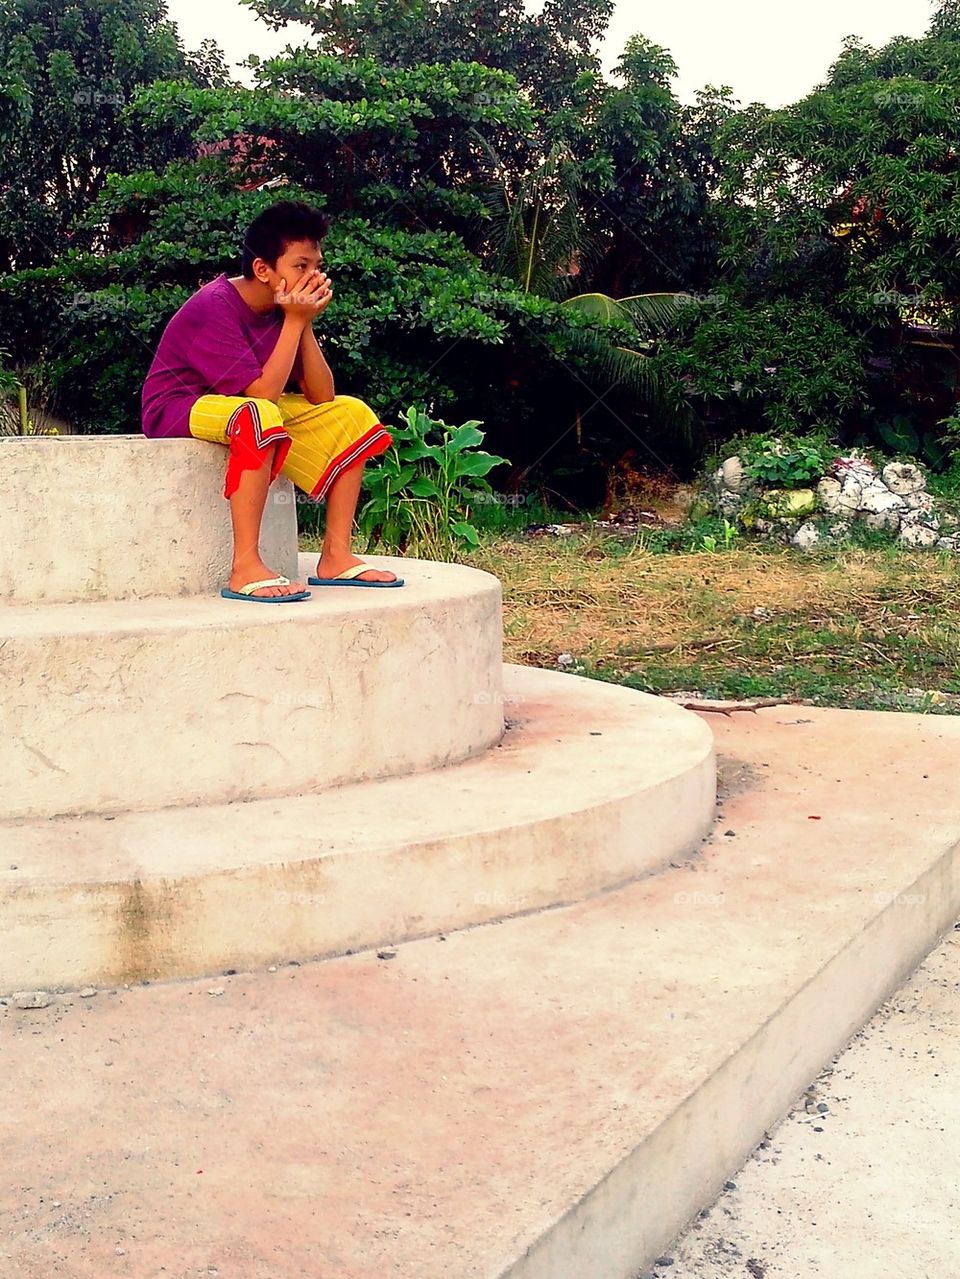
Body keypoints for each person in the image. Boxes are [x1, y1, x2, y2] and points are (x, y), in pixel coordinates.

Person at [141, 199, 404, 600]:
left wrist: (303, 322)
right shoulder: (214, 305)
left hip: (242, 401)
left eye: (317, 266)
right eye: (300, 266)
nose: (313, 277)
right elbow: (263, 394)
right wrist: (295, 320)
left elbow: (321, 396)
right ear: (263, 269)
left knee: (351, 413)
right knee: (258, 414)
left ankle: (336, 556)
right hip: (179, 406)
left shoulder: (284, 308)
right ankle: (245, 566)